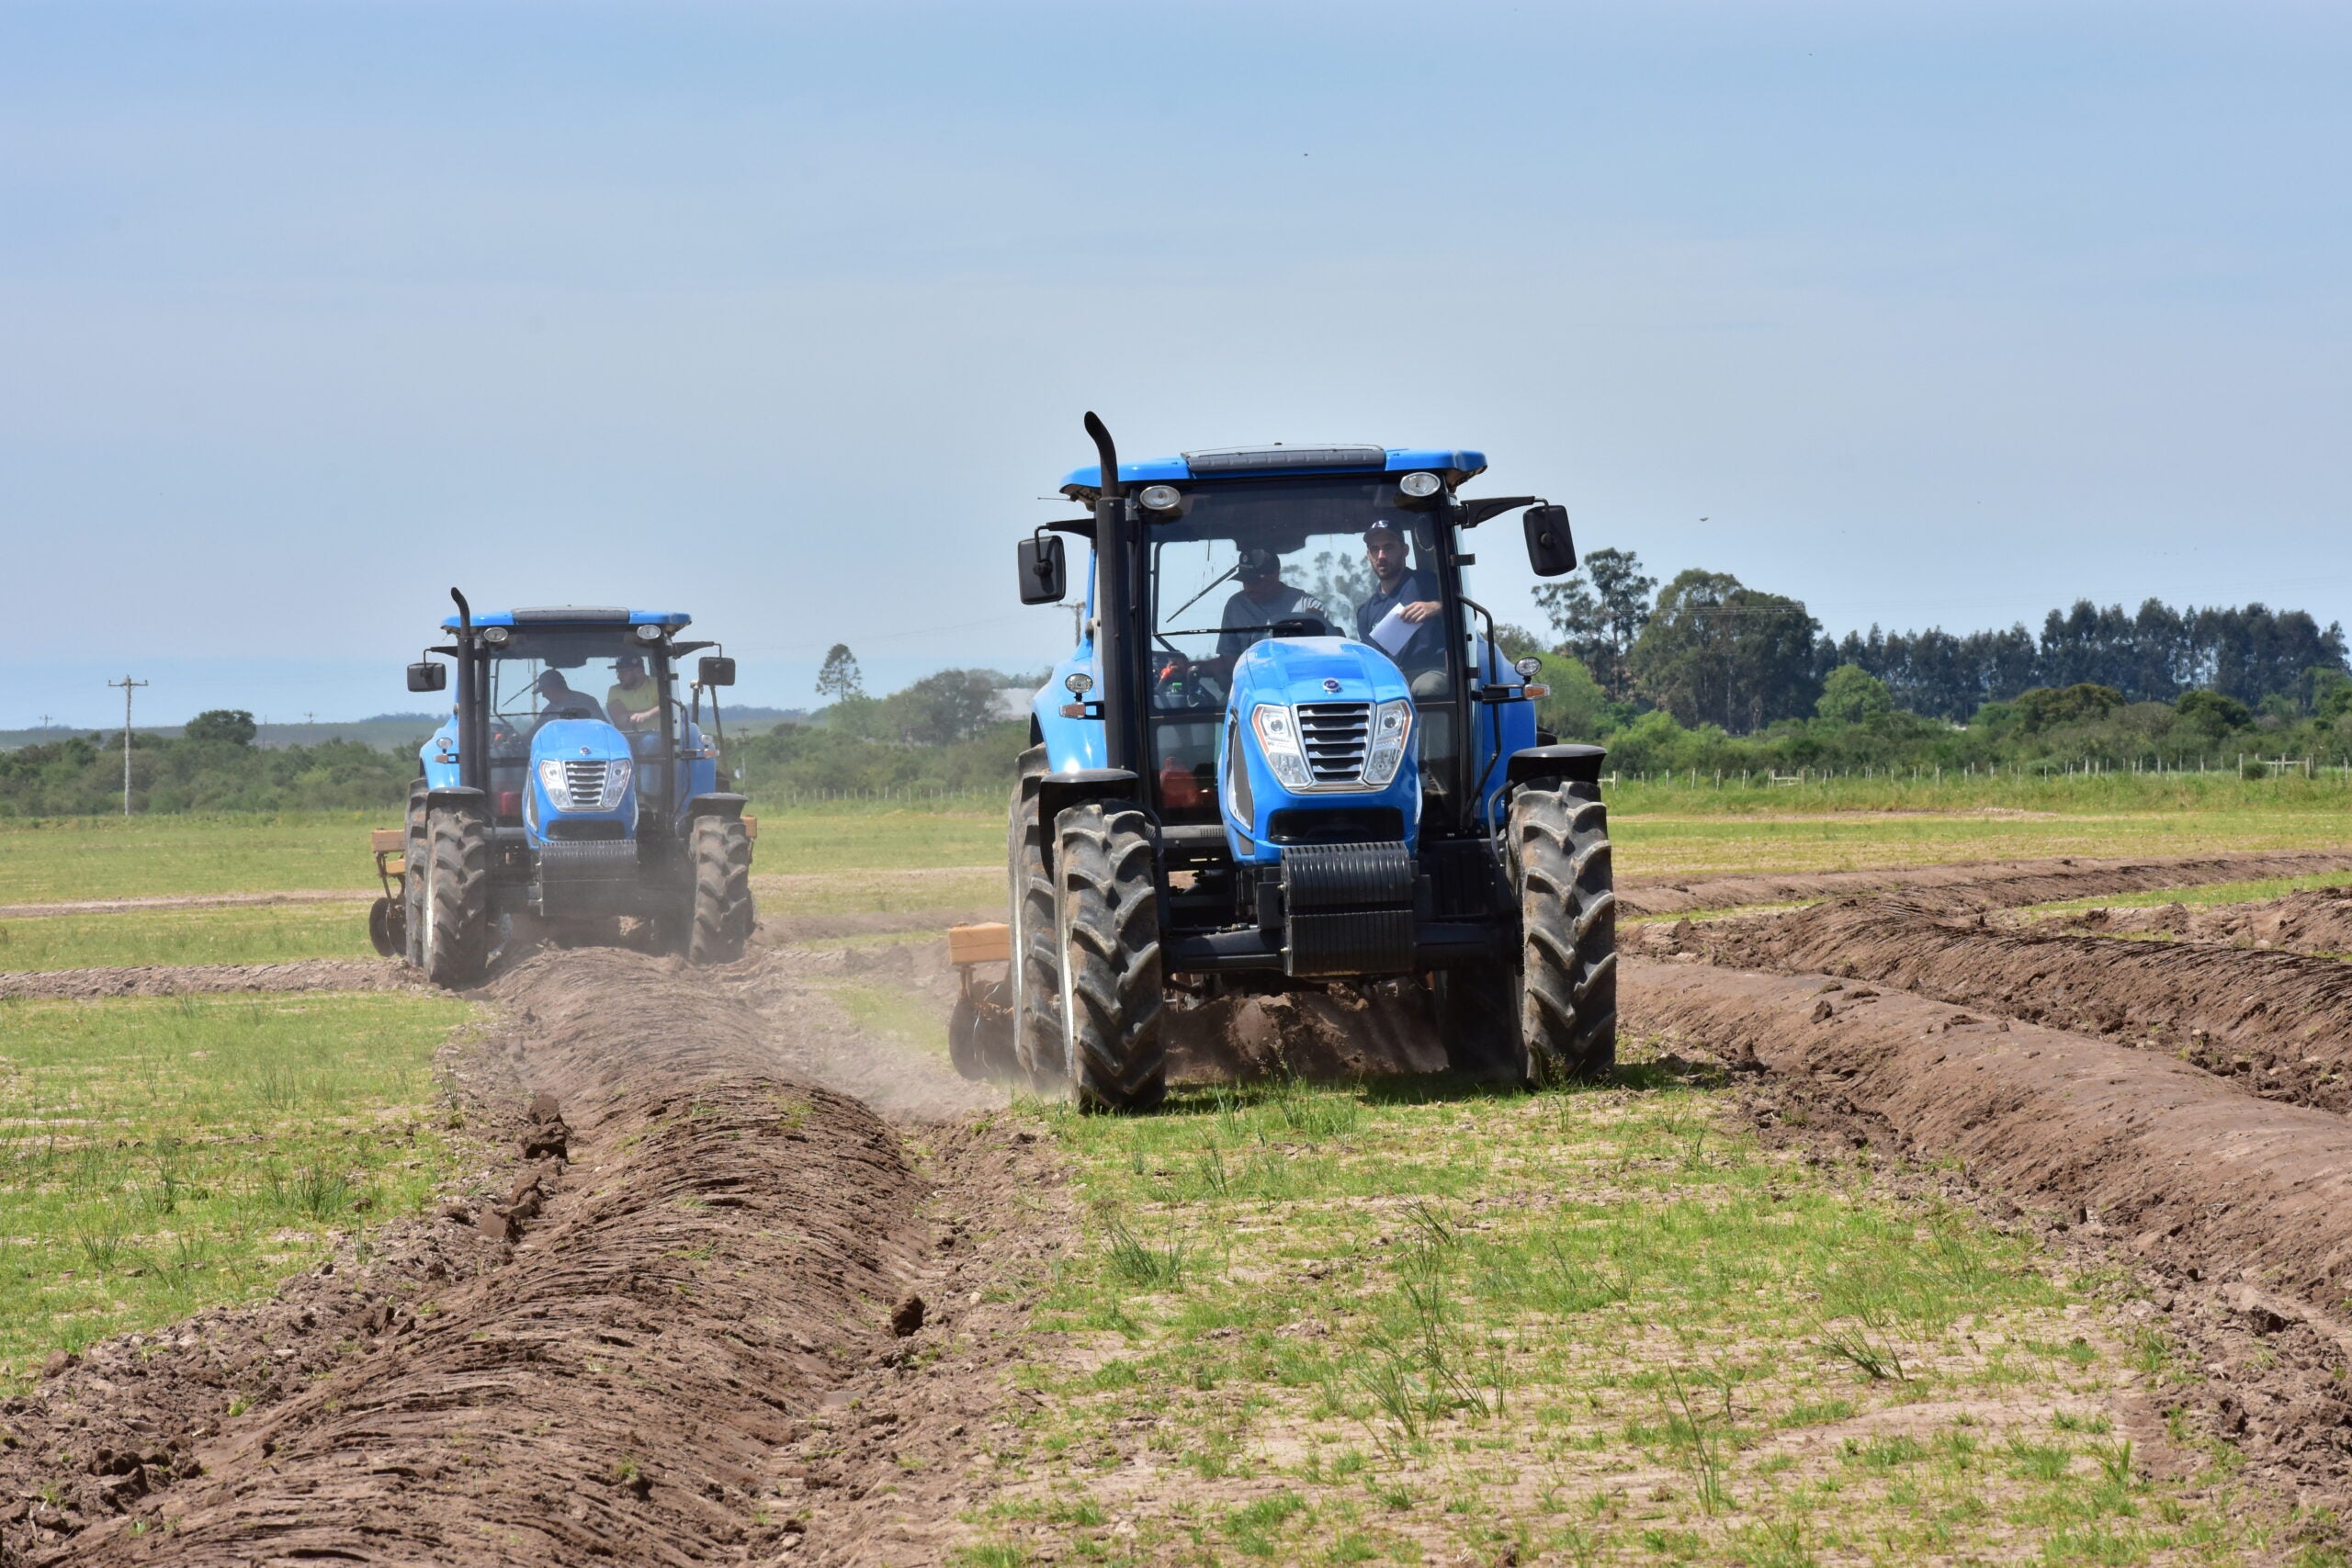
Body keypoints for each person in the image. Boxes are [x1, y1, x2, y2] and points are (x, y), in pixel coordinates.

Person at [1354, 521, 1450, 695]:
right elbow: (1372, 661)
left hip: (1431, 671)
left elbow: (1467, 615)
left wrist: (1438, 607)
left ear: (1404, 550)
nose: (1381, 556)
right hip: (1392, 679)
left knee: (1427, 688)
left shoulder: (1426, 582)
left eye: (1388, 547)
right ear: (1369, 555)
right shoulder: (1365, 612)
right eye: (1375, 549)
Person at [1212, 547, 1331, 675]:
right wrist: (1193, 668)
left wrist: (1311, 623)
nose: (1249, 588)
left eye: (1256, 581)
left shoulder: (1306, 605)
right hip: (1252, 685)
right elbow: (1229, 663)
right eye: (1246, 581)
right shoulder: (1235, 606)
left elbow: (1323, 658)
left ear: (1275, 574)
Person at [606, 653, 662, 732]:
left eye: (622, 672)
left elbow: (668, 707)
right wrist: (654, 711)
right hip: (627, 738)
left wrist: (646, 715)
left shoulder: (657, 684)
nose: (618, 677)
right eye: (618, 672)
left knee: (649, 740)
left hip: (658, 738)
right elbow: (621, 720)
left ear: (639, 671)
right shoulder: (614, 690)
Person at [535, 670, 599, 723]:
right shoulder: (548, 710)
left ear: (554, 687)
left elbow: (603, 729)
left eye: (544, 690)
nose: (543, 695)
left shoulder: (587, 702)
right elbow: (532, 733)